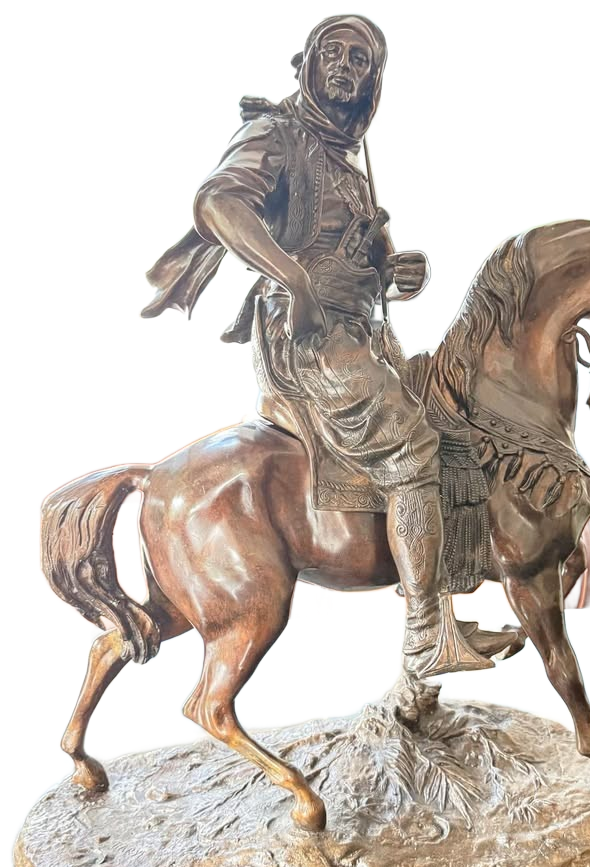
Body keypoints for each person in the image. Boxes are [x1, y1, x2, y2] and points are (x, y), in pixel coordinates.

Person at [142, 15, 494, 678]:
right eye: (333, 52)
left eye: (360, 60)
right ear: (306, 62)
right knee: (412, 447)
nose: (345, 66)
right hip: (305, 335)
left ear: (372, 80)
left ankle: (445, 608)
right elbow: (218, 203)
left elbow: (365, 260)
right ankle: (424, 633)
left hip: (362, 332)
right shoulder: (275, 133)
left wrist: (396, 272)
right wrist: (293, 278)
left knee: (453, 420)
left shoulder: (349, 162)